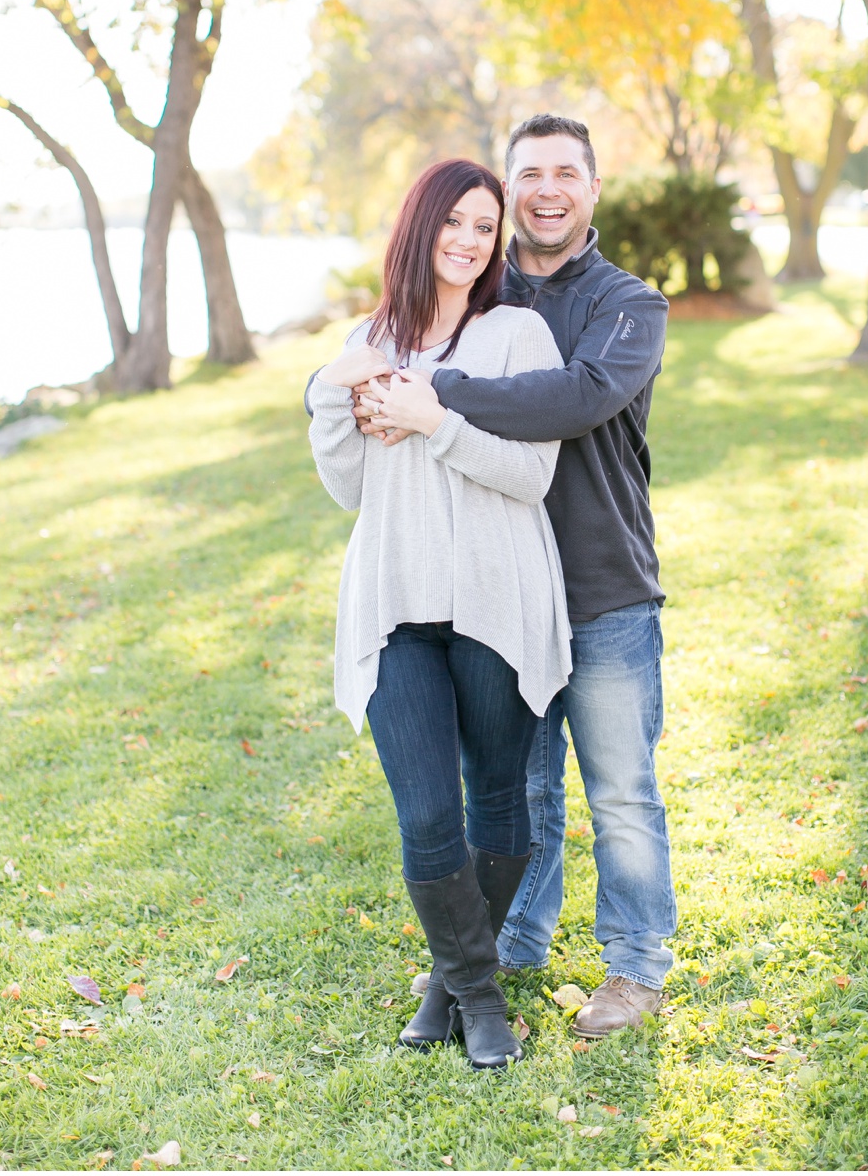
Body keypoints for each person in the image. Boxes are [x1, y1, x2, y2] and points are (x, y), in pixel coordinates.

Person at [355, 113, 675, 1040]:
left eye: (565, 172)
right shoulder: (475, 302)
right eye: (528, 173)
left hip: (603, 582)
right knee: (517, 786)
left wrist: (435, 396)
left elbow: (574, 399)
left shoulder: (628, 305)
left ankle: (635, 965)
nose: (546, 188)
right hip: (494, 594)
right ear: (504, 193)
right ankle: (510, 939)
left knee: (619, 788)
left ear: (592, 189)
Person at [307, 157, 572, 1070]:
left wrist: (434, 421)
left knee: (497, 795)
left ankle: (446, 988)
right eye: (454, 221)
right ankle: (481, 997)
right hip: (394, 606)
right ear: (419, 226)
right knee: (426, 814)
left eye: (484, 227)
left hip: (496, 601)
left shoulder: (517, 337)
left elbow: (532, 474)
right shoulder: (370, 337)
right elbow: (347, 486)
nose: (468, 241)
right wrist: (329, 393)